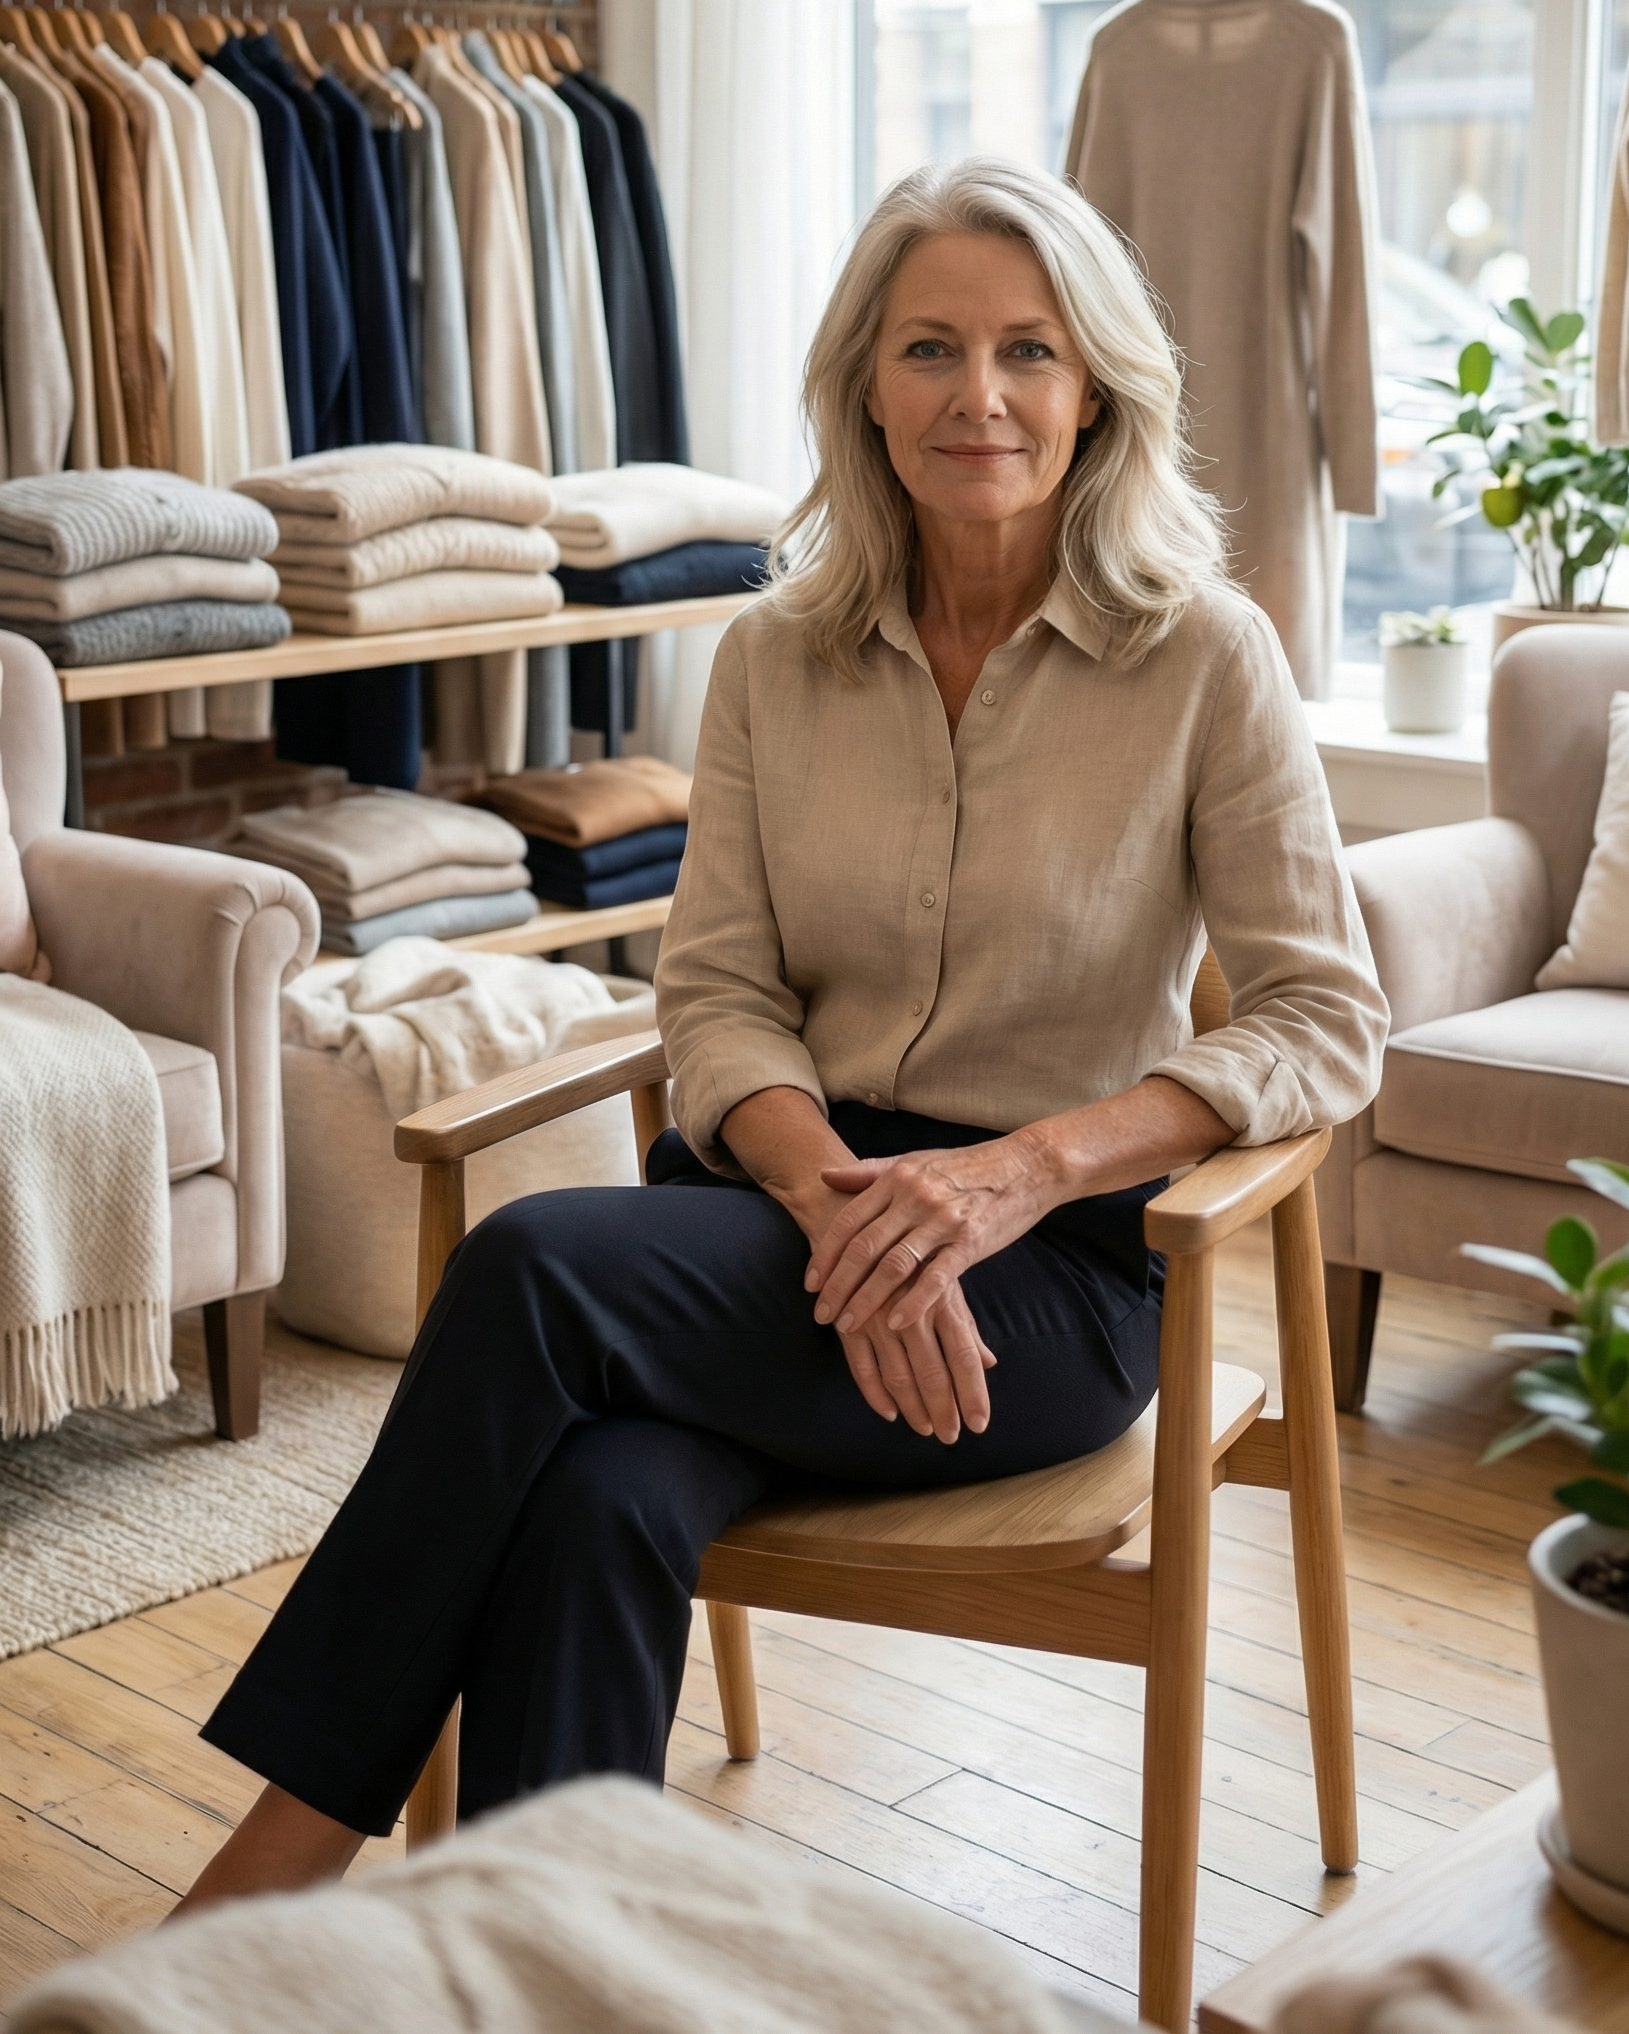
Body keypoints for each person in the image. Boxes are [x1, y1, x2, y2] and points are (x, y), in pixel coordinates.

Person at [182, 157, 1388, 1905]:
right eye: (930, 349)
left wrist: (1013, 1176)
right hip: (779, 1214)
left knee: (531, 1271)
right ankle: (541, 1965)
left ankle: (273, 1875)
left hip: (1047, 1275)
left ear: (1097, 391)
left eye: (1030, 351)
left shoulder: (1208, 658)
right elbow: (719, 993)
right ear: (864, 388)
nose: (980, 397)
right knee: (602, 1494)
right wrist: (835, 1203)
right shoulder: (773, 656)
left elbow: (1322, 1018)